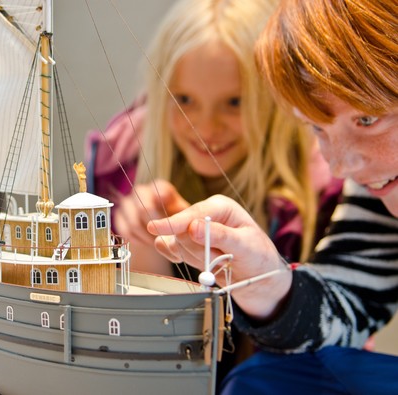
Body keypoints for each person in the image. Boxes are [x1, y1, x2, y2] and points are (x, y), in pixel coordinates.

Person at [148, 0, 398, 393]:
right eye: (316, 128)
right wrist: (265, 279)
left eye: (367, 119)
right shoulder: (377, 189)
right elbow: (349, 301)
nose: (340, 166)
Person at [85, 0, 341, 281]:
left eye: (234, 102)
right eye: (183, 100)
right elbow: (139, 319)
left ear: (275, 100)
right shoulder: (118, 163)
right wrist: (144, 244)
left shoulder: (327, 190)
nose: (205, 129)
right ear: (159, 95)